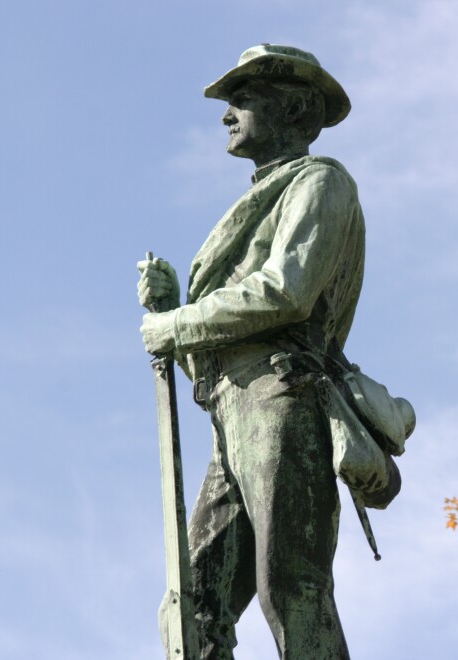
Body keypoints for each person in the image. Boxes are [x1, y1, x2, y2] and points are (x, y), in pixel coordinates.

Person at [137, 44, 370, 659]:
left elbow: (285, 292)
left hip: (281, 395)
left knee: (291, 583)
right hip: (233, 411)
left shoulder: (320, 182)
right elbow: (210, 355)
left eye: (243, 98)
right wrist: (170, 315)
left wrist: (180, 323)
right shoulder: (264, 195)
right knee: (192, 604)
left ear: (294, 108)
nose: (227, 113)